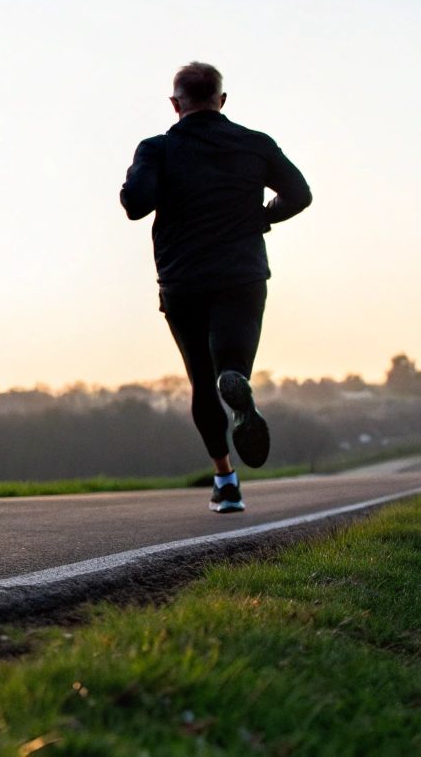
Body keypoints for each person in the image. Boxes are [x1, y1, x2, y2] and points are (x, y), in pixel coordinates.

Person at [121, 62, 312, 513]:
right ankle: (237, 380)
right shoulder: (254, 144)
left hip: (183, 280)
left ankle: (225, 480)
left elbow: (135, 204)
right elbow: (299, 194)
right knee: (231, 365)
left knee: (200, 382)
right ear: (221, 101)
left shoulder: (157, 148)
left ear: (175, 104)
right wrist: (264, 215)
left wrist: (135, 179)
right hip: (240, 274)